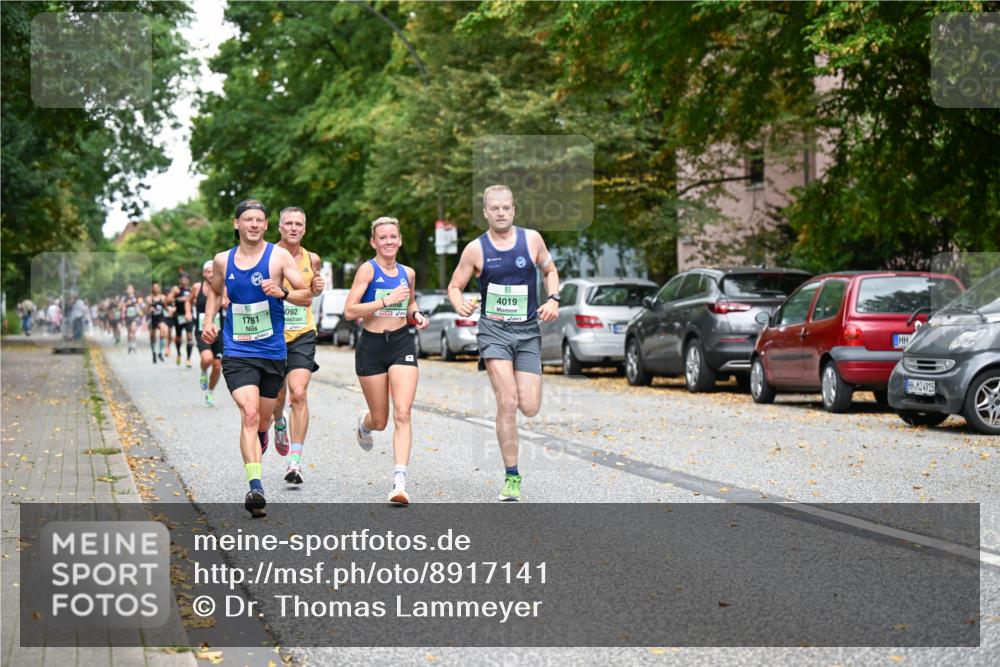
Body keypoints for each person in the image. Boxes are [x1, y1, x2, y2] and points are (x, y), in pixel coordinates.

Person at [447, 185, 560, 502]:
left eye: (506, 207)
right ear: (485, 211)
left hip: (527, 332)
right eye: (494, 208)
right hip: (493, 331)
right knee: (508, 402)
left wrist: (553, 298)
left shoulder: (532, 239)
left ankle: (518, 401)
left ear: (514, 209)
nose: (500, 212)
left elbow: (550, 270)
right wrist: (459, 303)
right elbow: (455, 285)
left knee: (530, 406)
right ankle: (512, 476)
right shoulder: (475, 249)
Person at [201, 199, 310, 517]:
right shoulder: (223, 260)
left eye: (259, 220)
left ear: (265, 225)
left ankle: (265, 432)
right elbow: (214, 290)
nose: (253, 224)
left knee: (263, 418)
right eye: (247, 219)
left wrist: (283, 293)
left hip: (273, 352)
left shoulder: (278, 257)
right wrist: (209, 321)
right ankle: (256, 487)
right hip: (237, 351)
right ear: (236, 224)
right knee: (248, 414)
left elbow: (305, 295)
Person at [344, 216, 429, 506]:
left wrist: (415, 315)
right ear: (374, 242)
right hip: (371, 347)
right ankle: (364, 425)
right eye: (383, 237)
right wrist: (386, 300)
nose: (389, 241)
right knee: (381, 420)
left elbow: (410, 303)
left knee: (403, 412)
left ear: (400, 240)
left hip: (401, 344)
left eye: (393, 236)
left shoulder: (408, 272)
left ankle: (399, 482)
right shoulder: (367, 270)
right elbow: (350, 310)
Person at [269, 207, 325, 485]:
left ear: (304, 229)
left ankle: (295, 460)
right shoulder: (267, 255)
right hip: (273, 335)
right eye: (288, 223)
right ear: (279, 227)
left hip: (303, 332)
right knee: (277, 400)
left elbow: (311, 292)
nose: (293, 228)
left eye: (298, 224)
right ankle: (279, 423)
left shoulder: (312, 258)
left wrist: (318, 286)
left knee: (299, 393)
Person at [191, 260, 227, 406]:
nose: (211, 274)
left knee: (218, 365)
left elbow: (229, 300)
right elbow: (188, 301)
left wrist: (226, 303)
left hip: (219, 331)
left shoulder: (224, 288)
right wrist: (188, 312)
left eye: (213, 271)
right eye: (208, 271)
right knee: (207, 359)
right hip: (202, 330)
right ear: (203, 273)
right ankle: (204, 372)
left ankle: (210, 393)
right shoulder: (196, 287)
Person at [168, 274, 196, 367]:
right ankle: (179, 353)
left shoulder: (191, 290)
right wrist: (178, 298)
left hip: (188, 316)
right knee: (178, 337)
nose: (184, 281)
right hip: (178, 316)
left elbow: (195, 300)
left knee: (189, 337)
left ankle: (188, 359)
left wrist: (190, 300)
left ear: (188, 280)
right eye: (182, 279)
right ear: (179, 280)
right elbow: (168, 300)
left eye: (186, 279)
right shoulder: (176, 289)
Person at [147, 282, 169, 362]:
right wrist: (149, 310)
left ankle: (160, 352)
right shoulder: (149, 298)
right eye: (154, 287)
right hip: (153, 319)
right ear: (152, 288)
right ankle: (153, 353)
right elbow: (145, 310)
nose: (156, 289)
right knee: (152, 337)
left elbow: (166, 307)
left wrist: (170, 310)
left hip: (160, 318)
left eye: (157, 287)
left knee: (163, 332)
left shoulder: (162, 297)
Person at [121, 284, 142, 354]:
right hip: (127, 317)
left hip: (135, 316)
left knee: (133, 330)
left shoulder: (137, 297)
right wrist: (126, 303)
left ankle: (134, 345)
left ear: (133, 290)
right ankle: (130, 346)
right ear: (126, 290)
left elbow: (141, 304)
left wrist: (137, 304)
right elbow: (119, 306)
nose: (129, 290)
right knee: (129, 333)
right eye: (128, 289)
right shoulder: (124, 298)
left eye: (131, 289)